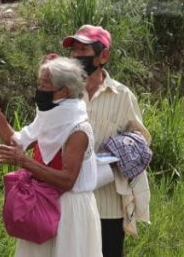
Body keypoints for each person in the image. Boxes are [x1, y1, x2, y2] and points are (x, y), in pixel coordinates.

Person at [0, 57, 102, 257]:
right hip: (42, 204)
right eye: (40, 83)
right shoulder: (50, 116)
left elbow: (67, 180)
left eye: (46, 84)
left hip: (69, 209)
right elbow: (16, 143)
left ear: (65, 91)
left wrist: (24, 161)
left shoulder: (78, 129)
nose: (40, 89)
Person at [62, 25, 151, 257]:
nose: (77, 56)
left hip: (108, 205)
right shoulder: (62, 92)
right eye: (74, 50)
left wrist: (121, 150)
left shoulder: (122, 96)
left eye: (84, 50)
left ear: (103, 56)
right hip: (68, 201)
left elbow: (141, 143)